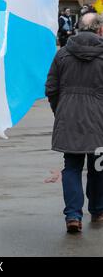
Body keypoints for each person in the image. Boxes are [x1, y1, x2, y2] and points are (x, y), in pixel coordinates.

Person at [46, 12, 103, 234]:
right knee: (98, 167)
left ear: (78, 27)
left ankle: (73, 215)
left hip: (68, 116)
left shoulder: (62, 54)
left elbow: (51, 88)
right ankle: (97, 210)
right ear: (99, 30)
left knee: (71, 166)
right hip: (99, 119)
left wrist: (60, 110)